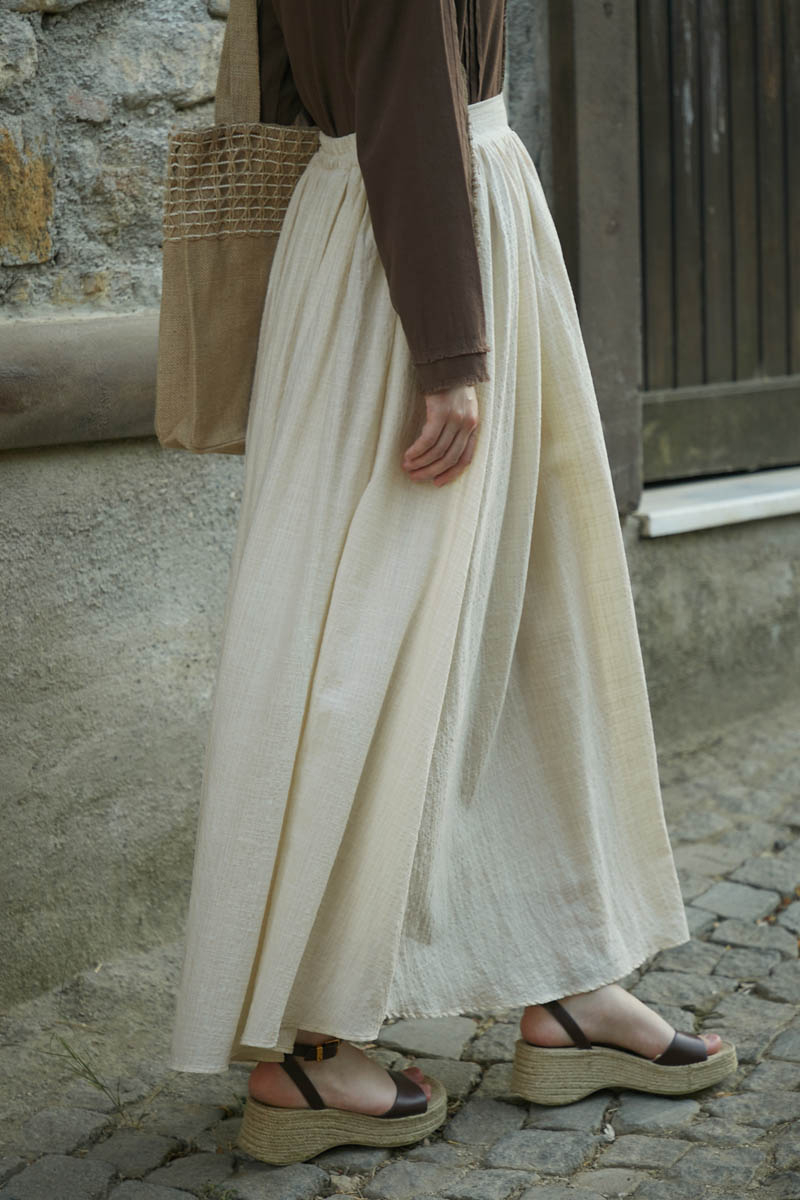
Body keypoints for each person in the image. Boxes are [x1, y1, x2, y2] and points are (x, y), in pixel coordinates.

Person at [167, 0, 737, 1165]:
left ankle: (571, 979)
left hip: (369, 236)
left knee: (526, 615)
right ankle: (308, 1041)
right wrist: (448, 353)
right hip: (424, 259)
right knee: (374, 640)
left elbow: (290, 80)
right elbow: (406, 89)